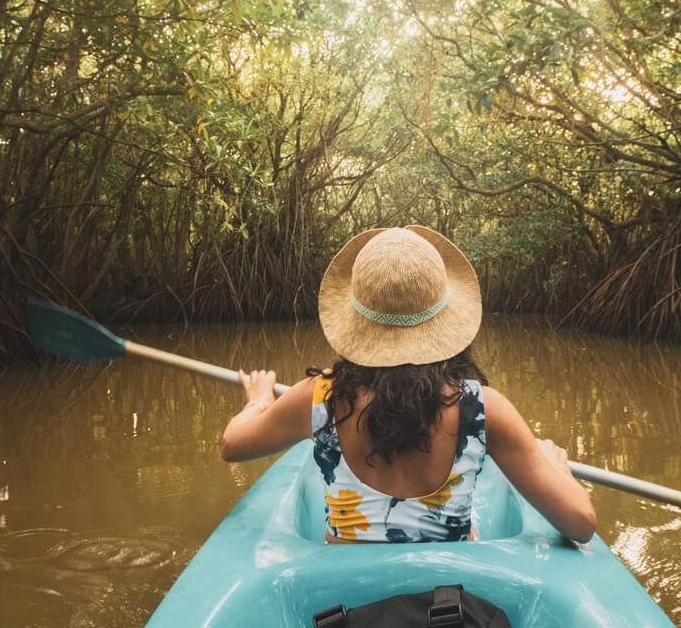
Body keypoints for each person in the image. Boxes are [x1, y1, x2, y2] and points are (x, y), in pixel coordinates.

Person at [218, 226, 596, 544]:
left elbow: (232, 446)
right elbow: (580, 524)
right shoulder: (484, 408)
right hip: (448, 605)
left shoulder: (319, 398)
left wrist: (257, 400)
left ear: (355, 318)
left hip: (346, 609)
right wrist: (553, 465)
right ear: (447, 317)